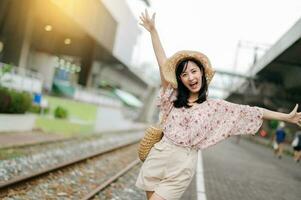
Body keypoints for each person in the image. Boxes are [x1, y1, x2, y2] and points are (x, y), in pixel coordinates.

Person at [136, 10, 301, 200]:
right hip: (159, 155)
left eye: (193, 71)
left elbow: (252, 111)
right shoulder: (172, 96)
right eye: (184, 74)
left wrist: (286, 116)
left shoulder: (215, 107)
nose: (190, 77)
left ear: (201, 73)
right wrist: (153, 31)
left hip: (181, 165)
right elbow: (162, 63)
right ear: (180, 79)